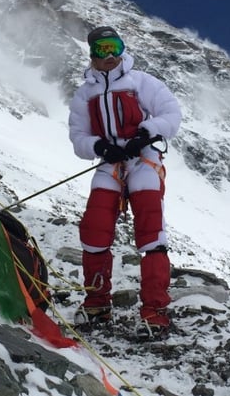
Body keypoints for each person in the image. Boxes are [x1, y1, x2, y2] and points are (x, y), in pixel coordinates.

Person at [68, 26, 182, 337]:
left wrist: (145, 133)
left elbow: (171, 115)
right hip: (111, 163)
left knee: (151, 231)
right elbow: (78, 138)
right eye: (102, 49)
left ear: (122, 49)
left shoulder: (142, 82)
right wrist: (100, 147)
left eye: (114, 47)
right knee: (94, 228)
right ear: (91, 53)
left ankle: (154, 310)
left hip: (142, 158)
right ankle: (97, 304)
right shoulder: (84, 94)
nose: (109, 55)